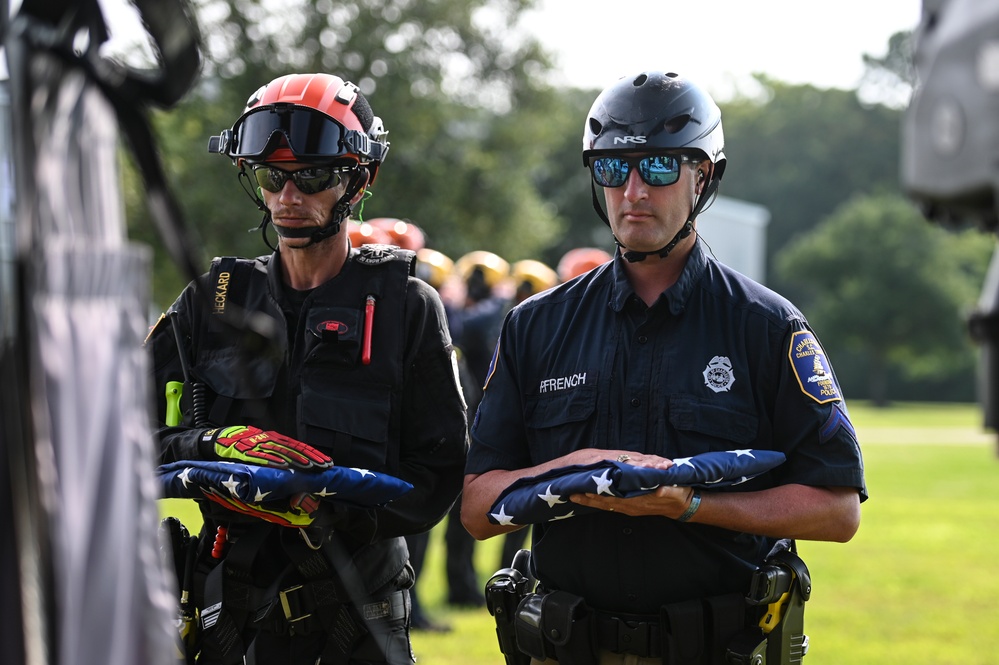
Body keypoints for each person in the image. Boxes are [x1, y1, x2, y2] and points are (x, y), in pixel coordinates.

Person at [461, 71, 866, 664]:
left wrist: (695, 506)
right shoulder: (535, 326)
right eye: (611, 168)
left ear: (704, 178)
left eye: (656, 168)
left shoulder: (767, 326)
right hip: (566, 646)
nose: (633, 191)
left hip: (716, 648)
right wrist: (570, 472)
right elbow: (477, 511)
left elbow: (837, 510)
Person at [147, 73, 468, 665]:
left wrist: (326, 504)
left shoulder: (406, 306)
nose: (288, 198)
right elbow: (121, 436)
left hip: (359, 620)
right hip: (229, 620)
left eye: (312, 177)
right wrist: (212, 444)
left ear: (359, 180)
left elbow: (440, 472)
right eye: (273, 177)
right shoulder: (211, 300)